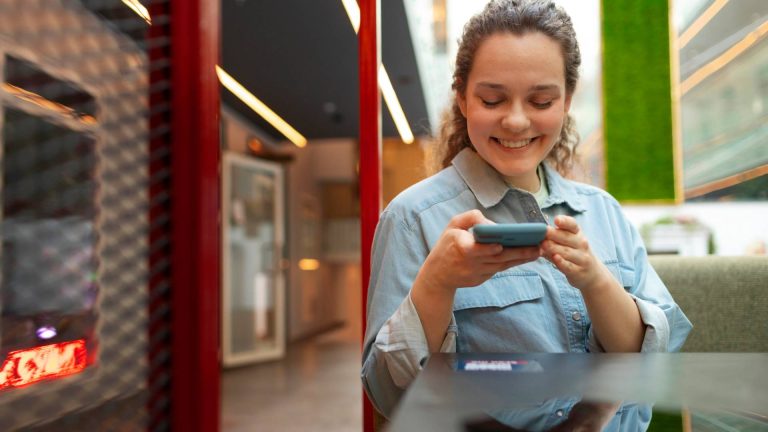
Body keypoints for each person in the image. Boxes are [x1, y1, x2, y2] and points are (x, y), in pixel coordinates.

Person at [361, 0, 692, 429]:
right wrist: (438, 281)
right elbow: (390, 394)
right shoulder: (412, 218)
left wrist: (594, 279)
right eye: (492, 98)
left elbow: (651, 363)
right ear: (462, 97)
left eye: (540, 100)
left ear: (567, 100)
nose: (516, 121)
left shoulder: (604, 212)